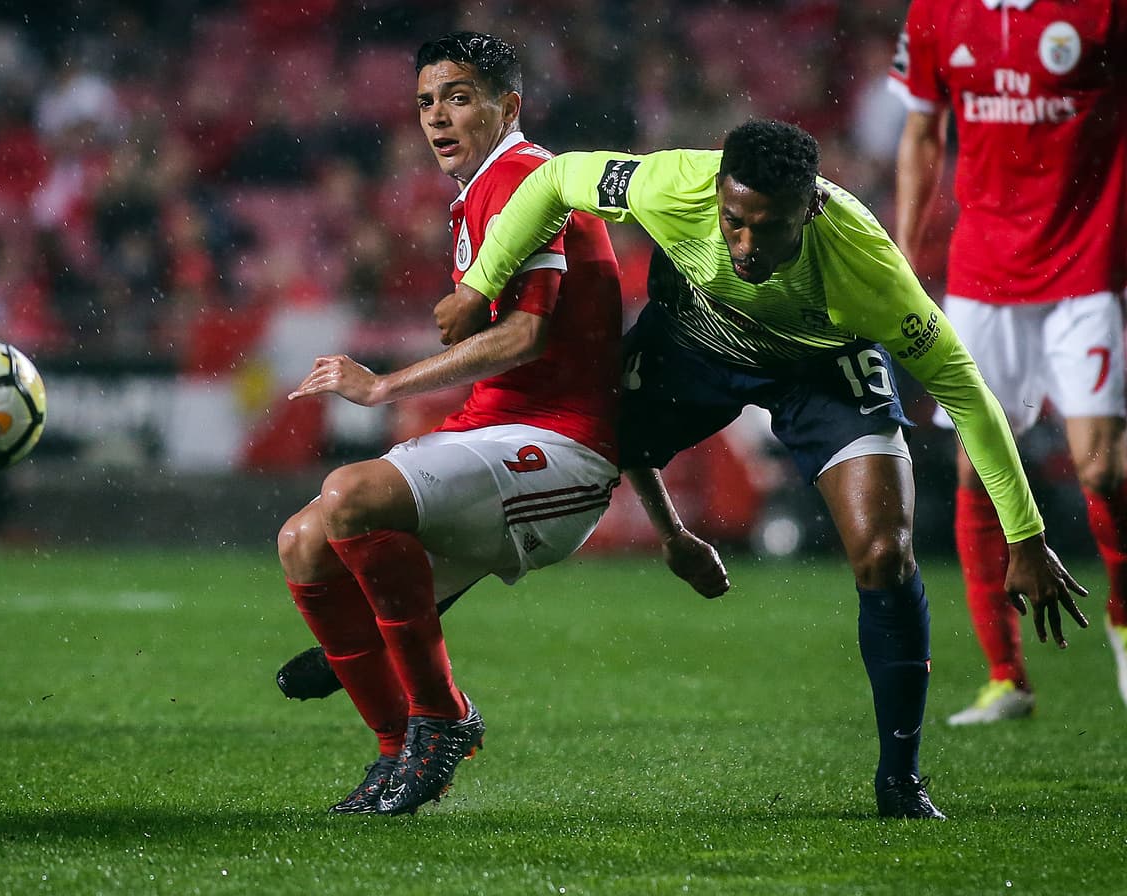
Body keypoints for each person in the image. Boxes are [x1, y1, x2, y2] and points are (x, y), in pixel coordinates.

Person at [435, 117, 1089, 820]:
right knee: (575, 447)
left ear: (810, 209)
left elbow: (967, 393)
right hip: (695, 343)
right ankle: (407, 618)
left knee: (883, 553)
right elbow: (556, 179)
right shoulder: (671, 183)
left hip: (822, 368)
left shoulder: (868, 270)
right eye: (734, 221)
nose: (746, 244)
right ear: (716, 191)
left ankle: (900, 779)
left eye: (768, 228)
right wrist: (481, 284)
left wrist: (1025, 537)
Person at [277, 32, 639, 816]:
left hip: (561, 448)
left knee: (349, 495)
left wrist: (383, 388)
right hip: (492, 434)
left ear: (508, 105)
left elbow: (525, 334)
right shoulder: (481, 186)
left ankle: (439, 718)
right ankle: (395, 746)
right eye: (425, 103)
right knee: (303, 545)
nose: (437, 118)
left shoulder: (519, 176)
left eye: (459, 98)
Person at [890, 0, 1127, 724]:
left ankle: (1121, 618)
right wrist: (902, 255)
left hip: (1089, 266)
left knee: (1101, 470)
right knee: (977, 468)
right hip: (984, 276)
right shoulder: (937, 12)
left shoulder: (1102, 11)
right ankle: (1006, 677)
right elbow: (923, 132)